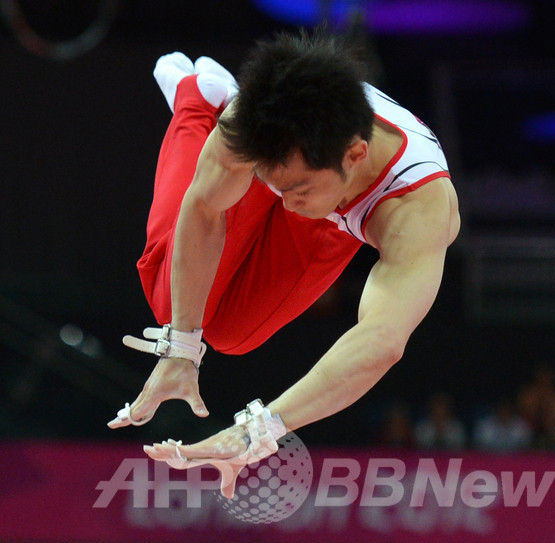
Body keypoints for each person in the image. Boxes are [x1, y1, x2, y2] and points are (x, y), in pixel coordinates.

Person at [108, 31, 460, 495]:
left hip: (339, 217)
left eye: (298, 191)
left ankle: (214, 109)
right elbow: (204, 205)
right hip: (296, 168)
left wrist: (260, 431)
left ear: (354, 155)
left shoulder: (418, 210)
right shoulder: (251, 124)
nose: (287, 205)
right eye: (279, 189)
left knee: (232, 334)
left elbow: (381, 342)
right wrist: (180, 348)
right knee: (173, 311)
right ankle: (197, 101)